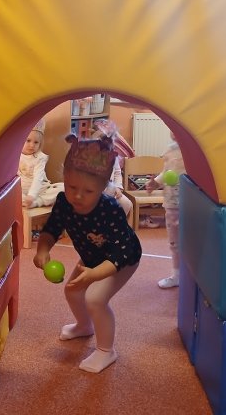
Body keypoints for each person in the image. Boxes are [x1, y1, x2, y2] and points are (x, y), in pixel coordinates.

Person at [33, 133, 142, 374]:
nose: (78, 196)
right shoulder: (64, 202)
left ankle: (106, 350)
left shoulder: (110, 210)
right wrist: (42, 250)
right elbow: (51, 229)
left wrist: (95, 275)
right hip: (93, 256)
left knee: (95, 298)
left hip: (122, 258)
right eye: (72, 187)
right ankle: (84, 326)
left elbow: (120, 252)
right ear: (64, 178)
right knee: (72, 291)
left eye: (88, 191)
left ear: (103, 188)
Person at [145, 131, 186, 287]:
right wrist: (155, 182)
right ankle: (177, 275)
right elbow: (166, 172)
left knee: (192, 241)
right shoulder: (170, 149)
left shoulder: (193, 150)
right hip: (172, 203)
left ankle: (192, 275)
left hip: (191, 203)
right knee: (174, 242)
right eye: (171, 128)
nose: (173, 131)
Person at [90, 122, 133, 222]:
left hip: (111, 190)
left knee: (126, 203)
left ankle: (115, 224)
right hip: (95, 193)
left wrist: (118, 187)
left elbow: (117, 172)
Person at [18, 119, 64, 208]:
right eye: (28, 140)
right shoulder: (16, 155)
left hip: (41, 189)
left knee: (63, 188)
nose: (32, 145)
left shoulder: (40, 157)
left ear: (40, 143)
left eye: (36, 142)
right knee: (11, 194)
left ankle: (37, 202)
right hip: (23, 190)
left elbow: (38, 177)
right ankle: (26, 201)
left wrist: (32, 195)